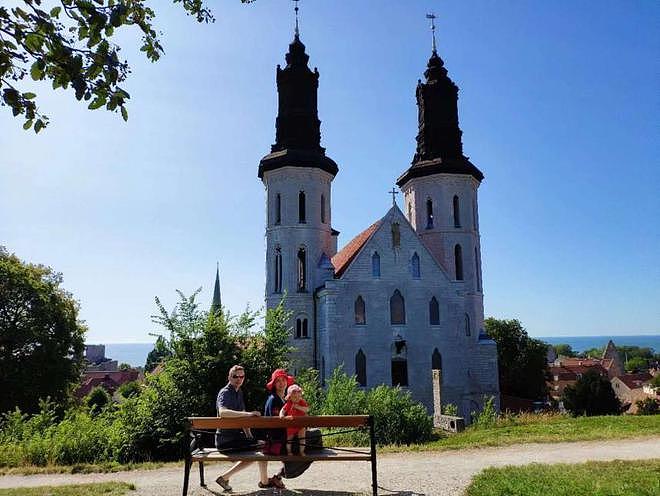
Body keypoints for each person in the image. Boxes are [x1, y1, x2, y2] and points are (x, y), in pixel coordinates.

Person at [214, 365, 283, 491]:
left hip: (234, 438)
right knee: (261, 446)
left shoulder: (238, 392)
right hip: (226, 441)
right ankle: (262, 481)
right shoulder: (225, 392)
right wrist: (249, 414)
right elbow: (223, 412)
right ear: (229, 377)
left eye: (242, 376)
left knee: (260, 444)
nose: (239, 379)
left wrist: (249, 436)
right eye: (235, 376)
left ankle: (262, 480)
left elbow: (242, 417)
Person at [279, 384, 309, 455]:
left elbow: (306, 410)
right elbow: (282, 410)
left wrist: (298, 407)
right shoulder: (289, 403)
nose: (297, 398)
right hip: (291, 424)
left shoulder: (302, 402)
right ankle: (289, 451)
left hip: (301, 424)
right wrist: (282, 416)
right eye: (295, 397)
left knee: (302, 438)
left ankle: (301, 451)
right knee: (289, 439)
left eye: (299, 396)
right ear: (290, 397)